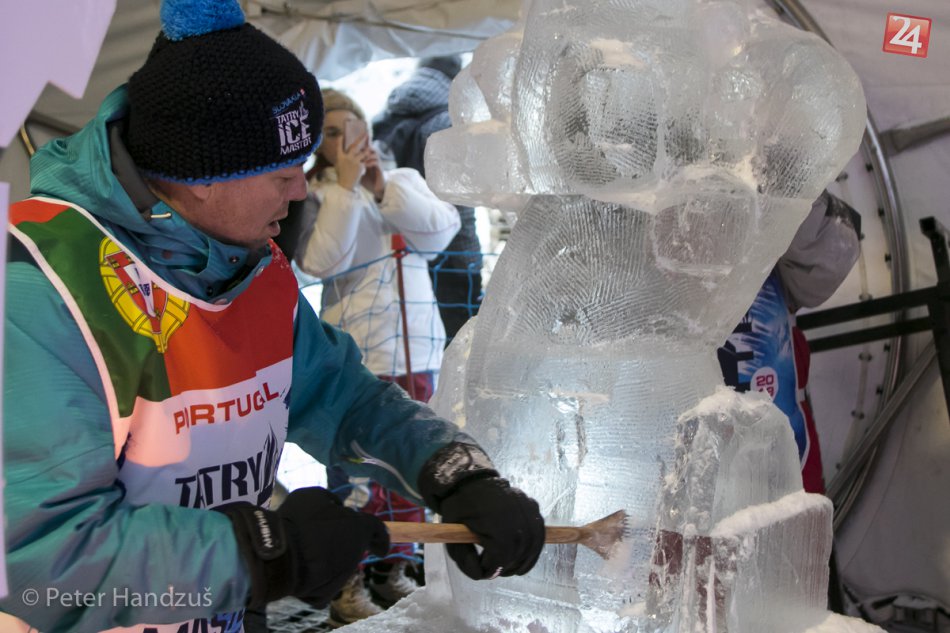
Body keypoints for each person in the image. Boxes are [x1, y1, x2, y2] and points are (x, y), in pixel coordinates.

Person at [0, 2, 545, 632]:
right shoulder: (37, 288)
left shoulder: (248, 266)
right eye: (282, 174)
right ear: (202, 177)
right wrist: (260, 554)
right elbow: (38, 556)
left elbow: (341, 398)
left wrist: (453, 471)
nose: (300, 191)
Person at [295, 88, 461, 626]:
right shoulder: (313, 193)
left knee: (415, 465)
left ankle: (395, 567)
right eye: (333, 133)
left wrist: (381, 187)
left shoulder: (402, 179)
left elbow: (440, 232)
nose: (347, 141)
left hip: (418, 351)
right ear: (318, 143)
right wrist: (345, 190)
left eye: (353, 128)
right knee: (358, 476)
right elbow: (322, 262)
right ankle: (346, 580)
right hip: (358, 357)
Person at [718, 189, 862, 494]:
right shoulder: (632, 214)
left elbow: (833, 255)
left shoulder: (759, 197)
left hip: (785, 475)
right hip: (675, 479)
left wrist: (781, 183)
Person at [373, 55, 483, 341]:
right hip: (446, 252)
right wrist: (470, 263)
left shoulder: (386, 115)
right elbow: (460, 200)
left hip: (391, 255)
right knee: (457, 342)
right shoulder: (446, 121)